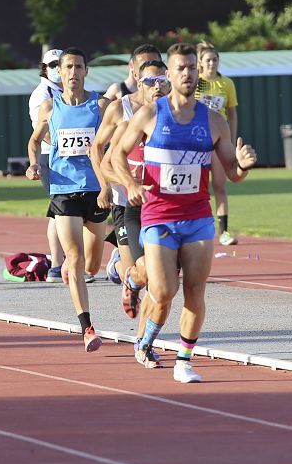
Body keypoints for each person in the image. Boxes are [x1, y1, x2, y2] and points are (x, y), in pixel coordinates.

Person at [112, 43, 257, 383]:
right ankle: (144, 337)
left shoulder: (215, 121)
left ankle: (183, 359)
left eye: (192, 68)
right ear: (169, 74)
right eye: (181, 68)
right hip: (159, 216)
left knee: (195, 290)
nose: (188, 74)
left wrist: (246, 166)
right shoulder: (150, 115)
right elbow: (117, 154)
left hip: (197, 218)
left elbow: (232, 174)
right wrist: (129, 185)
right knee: (163, 292)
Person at [26, 47, 111, 352]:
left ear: (86, 71)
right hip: (64, 189)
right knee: (73, 258)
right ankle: (87, 327)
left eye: (78, 67)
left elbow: (115, 144)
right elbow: (34, 141)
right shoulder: (50, 107)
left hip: (96, 190)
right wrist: (34, 164)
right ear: (58, 73)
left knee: (91, 265)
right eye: (68, 68)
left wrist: (109, 180)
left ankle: (75, 270)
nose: (73, 73)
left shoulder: (101, 105)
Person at [92, 56, 167, 318]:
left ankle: (146, 340)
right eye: (150, 81)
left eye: (161, 80)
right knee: (144, 271)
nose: (157, 86)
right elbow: (101, 154)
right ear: (137, 78)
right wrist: (121, 185)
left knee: (163, 281)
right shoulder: (122, 115)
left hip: (164, 208)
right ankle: (127, 275)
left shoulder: (178, 120)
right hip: (128, 203)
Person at [194, 40, 240, 245]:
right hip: (198, 140)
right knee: (196, 187)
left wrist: (230, 140)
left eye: (215, 59)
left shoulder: (226, 83)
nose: (212, 63)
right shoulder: (197, 81)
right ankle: (195, 226)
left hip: (219, 139)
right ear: (201, 63)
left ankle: (224, 231)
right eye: (208, 60)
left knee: (220, 185)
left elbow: (232, 113)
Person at [28, 49, 67, 282]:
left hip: (70, 158)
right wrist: (68, 145)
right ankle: (56, 264)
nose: (56, 67)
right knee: (58, 210)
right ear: (44, 68)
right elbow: (41, 133)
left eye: (60, 63)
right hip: (50, 157)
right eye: (52, 64)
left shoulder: (66, 90)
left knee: (72, 209)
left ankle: (69, 262)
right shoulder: (41, 94)